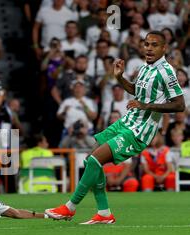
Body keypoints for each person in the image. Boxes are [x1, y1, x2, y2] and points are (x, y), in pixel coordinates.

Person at [45, 31, 185, 224]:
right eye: (146, 44)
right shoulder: (145, 66)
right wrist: (120, 78)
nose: (149, 48)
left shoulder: (167, 71)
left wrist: (146, 105)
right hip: (126, 121)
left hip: (139, 130)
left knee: (94, 160)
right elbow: (137, 91)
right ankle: (103, 213)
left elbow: (179, 104)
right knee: (90, 162)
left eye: (154, 45)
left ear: (164, 48)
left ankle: (70, 208)